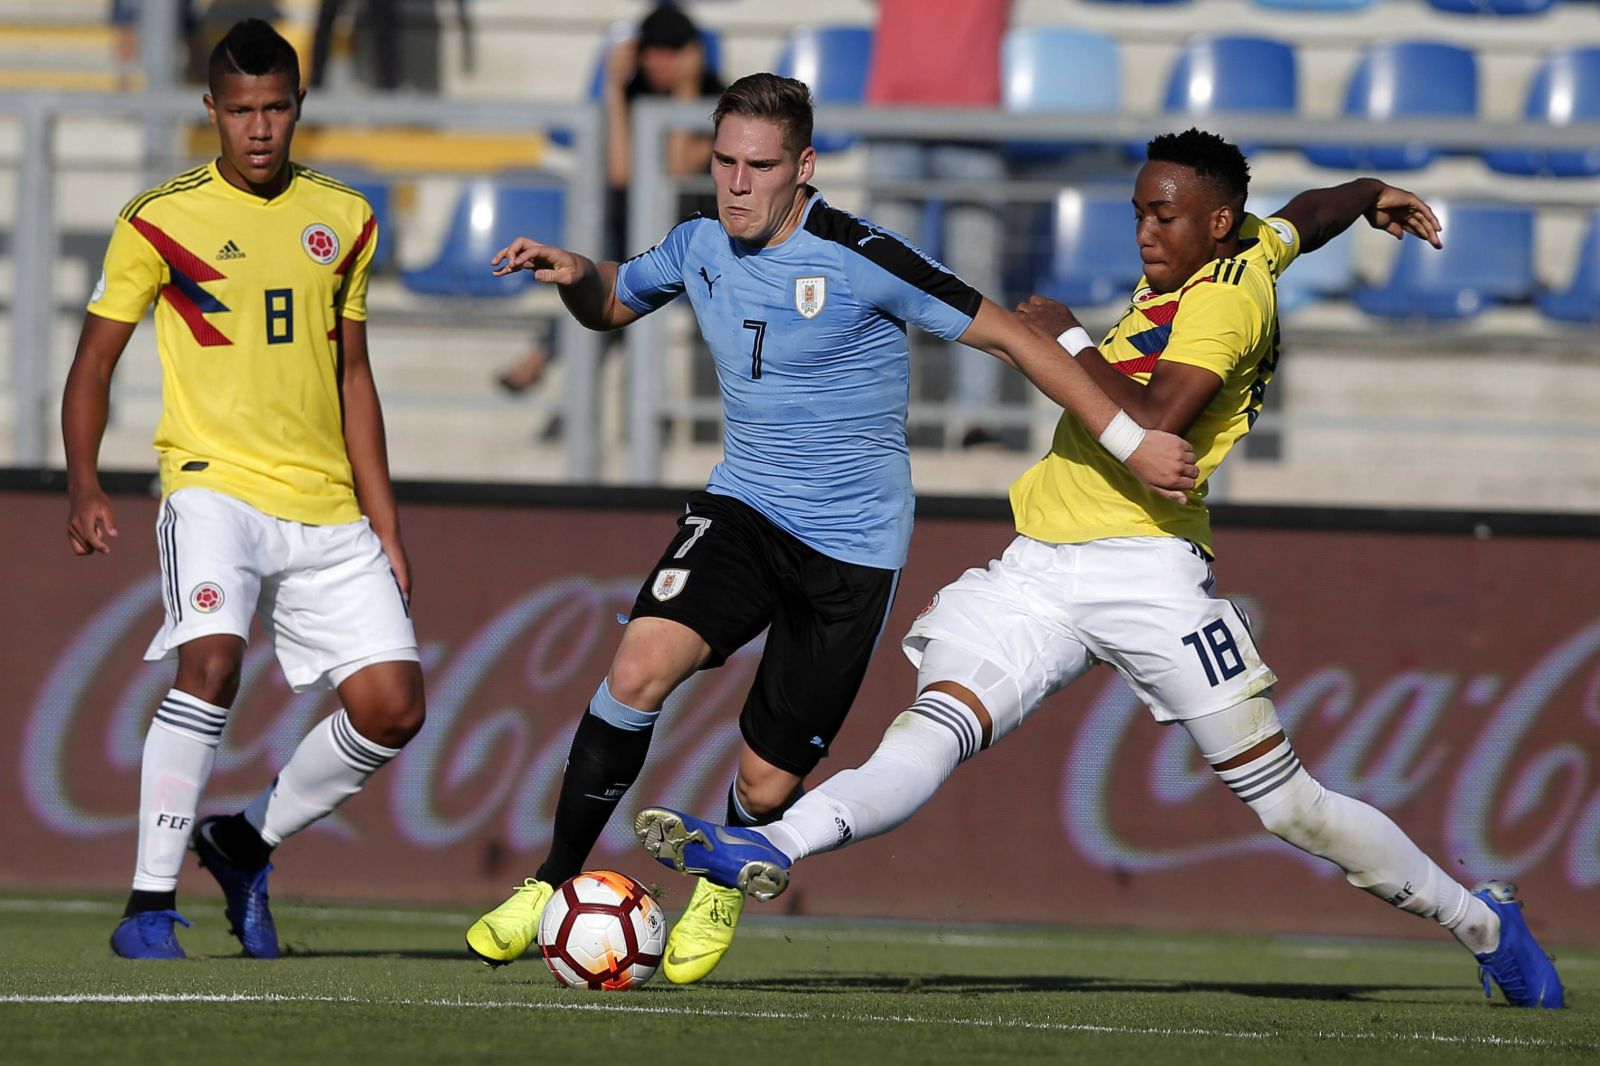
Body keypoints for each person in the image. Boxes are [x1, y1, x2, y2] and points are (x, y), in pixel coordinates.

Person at [633, 128, 1566, 1009]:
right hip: (1040, 570)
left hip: (1147, 572)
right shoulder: (1249, 243)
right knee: (931, 730)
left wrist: (1070, 339)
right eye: (1138, 212)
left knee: (1291, 807)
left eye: (1165, 216)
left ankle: (1483, 923)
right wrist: (1369, 193)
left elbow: (1157, 423)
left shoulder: (1225, 300)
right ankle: (771, 846)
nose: (1145, 233)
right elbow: (1306, 215)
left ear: (1215, 222)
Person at [464, 73, 1198, 985]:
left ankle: (721, 887)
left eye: (760, 166)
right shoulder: (698, 242)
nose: (736, 183)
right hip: (743, 509)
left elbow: (1012, 336)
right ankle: (549, 883)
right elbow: (613, 301)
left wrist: (1129, 440)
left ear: (803, 167)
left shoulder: (861, 256)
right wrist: (578, 275)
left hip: (850, 549)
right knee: (637, 667)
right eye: (724, 162)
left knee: (766, 782)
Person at [63, 19, 426, 961]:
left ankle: (243, 842)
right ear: (211, 111)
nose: (258, 129)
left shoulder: (345, 218)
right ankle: (147, 906)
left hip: (325, 504)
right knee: (211, 664)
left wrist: (386, 525)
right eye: (239, 111)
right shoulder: (158, 219)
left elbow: (353, 376)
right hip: (212, 487)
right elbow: (94, 361)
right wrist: (84, 481)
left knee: (394, 709)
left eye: (274, 109)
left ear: (299, 106)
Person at [497, 3, 724, 396]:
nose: (659, 62)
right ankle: (551, 358)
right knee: (601, 269)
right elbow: (620, 174)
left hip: (695, 242)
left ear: (691, 55)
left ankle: (544, 354)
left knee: (615, 275)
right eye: (651, 50)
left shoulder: (715, 100)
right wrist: (615, 88)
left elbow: (678, 169)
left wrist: (686, 90)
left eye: (671, 51)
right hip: (635, 236)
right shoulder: (634, 94)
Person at [864, 0, 1013, 449]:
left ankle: (976, 420)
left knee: (975, 275)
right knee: (885, 276)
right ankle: (885, 414)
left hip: (973, 118)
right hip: (895, 118)